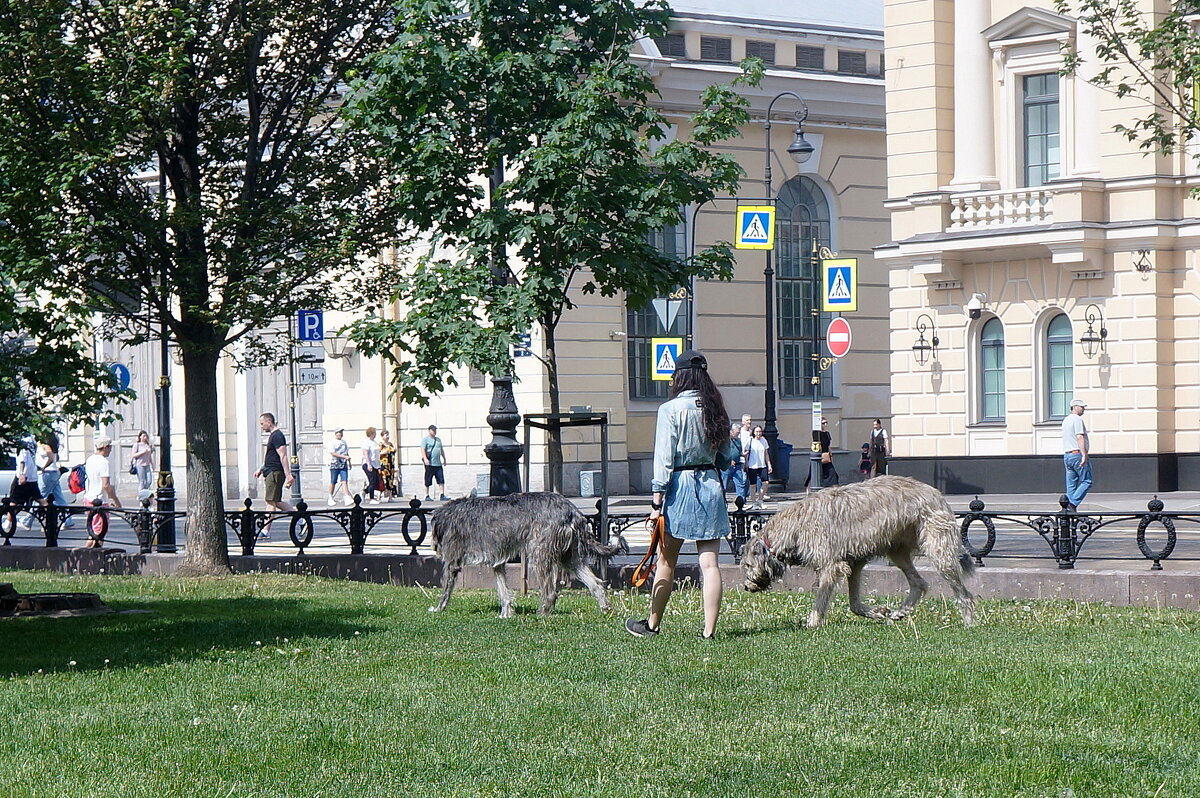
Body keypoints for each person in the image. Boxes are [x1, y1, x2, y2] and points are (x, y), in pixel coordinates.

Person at [625, 349, 738, 640]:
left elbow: (663, 459)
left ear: (679, 376)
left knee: (666, 561)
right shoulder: (715, 408)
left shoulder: (670, 410)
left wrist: (655, 502)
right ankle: (709, 632)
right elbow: (729, 454)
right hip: (711, 486)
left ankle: (652, 624)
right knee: (710, 563)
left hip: (680, 488)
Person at [253, 413, 294, 539]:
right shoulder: (274, 436)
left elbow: (283, 456)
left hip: (274, 472)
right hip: (271, 471)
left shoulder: (277, 436)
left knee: (270, 501)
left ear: (269, 422)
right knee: (275, 501)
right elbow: (270, 457)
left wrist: (288, 475)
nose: (261, 426)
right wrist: (261, 469)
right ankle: (301, 517)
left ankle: (266, 531)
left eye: (262, 423)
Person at [83, 436, 122, 547]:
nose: (110, 450)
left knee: (92, 532)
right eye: (110, 447)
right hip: (99, 500)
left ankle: (85, 557)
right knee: (99, 533)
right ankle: (91, 557)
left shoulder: (90, 459)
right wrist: (116, 500)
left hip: (88, 498)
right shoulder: (104, 462)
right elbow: (106, 485)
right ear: (105, 447)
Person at [37, 432, 74, 529]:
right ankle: (68, 520)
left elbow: (51, 457)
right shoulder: (53, 445)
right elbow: (55, 458)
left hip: (48, 473)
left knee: (40, 496)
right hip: (54, 472)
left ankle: (27, 520)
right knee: (59, 497)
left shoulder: (45, 445)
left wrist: (43, 467)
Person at [1061, 398, 1092, 512]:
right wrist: (1084, 454)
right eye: (1081, 407)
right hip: (1077, 453)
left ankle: (1068, 509)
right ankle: (1072, 504)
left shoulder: (1066, 420)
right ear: (1075, 407)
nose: (1083, 409)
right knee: (1087, 481)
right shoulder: (1077, 419)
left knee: (1071, 484)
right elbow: (1080, 436)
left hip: (1067, 455)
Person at [8, 436, 42, 532]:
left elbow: (22, 460)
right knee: (39, 498)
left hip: (23, 477)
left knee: (13, 500)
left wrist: (21, 474)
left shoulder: (23, 441)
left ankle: (7, 524)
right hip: (32, 476)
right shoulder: (32, 440)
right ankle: (51, 517)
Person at [805, 417, 838, 488]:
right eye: (823, 423)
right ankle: (808, 490)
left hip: (826, 456)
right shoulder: (816, 433)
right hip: (818, 455)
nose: (825, 424)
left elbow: (829, 445)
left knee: (832, 473)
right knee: (813, 475)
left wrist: (830, 453)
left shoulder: (827, 434)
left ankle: (835, 490)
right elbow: (815, 443)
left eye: (826, 423)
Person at [745, 424, 772, 509]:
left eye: (760, 431)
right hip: (752, 465)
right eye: (757, 431)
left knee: (766, 483)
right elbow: (746, 453)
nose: (758, 433)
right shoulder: (750, 440)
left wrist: (769, 464)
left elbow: (766, 453)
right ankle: (754, 503)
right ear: (753, 432)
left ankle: (760, 499)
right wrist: (746, 463)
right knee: (753, 485)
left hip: (762, 465)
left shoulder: (763, 440)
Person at [721, 423, 748, 504]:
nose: (738, 434)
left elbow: (739, 451)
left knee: (740, 484)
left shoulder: (738, 441)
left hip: (737, 465)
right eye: (737, 432)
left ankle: (741, 502)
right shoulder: (725, 441)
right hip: (727, 466)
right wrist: (729, 460)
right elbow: (722, 452)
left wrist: (743, 455)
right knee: (724, 485)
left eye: (739, 432)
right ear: (731, 431)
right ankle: (722, 501)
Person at [421, 425, 448, 501]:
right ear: (429, 431)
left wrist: (444, 459)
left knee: (441, 479)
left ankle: (442, 494)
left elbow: (441, 450)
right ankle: (426, 495)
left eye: (435, 430)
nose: (434, 432)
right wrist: (425, 459)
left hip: (438, 463)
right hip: (430, 463)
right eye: (433, 430)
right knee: (428, 479)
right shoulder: (425, 440)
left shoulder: (438, 440)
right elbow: (423, 449)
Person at [327, 428, 352, 506]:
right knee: (333, 481)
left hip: (343, 464)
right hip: (335, 464)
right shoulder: (332, 442)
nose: (340, 434)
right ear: (335, 434)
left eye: (341, 432)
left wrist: (349, 462)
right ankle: (330, 497)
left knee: (344, 481)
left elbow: (346, 453)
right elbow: (332, 453)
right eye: (339, 433)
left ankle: (346, 496)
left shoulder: (344, 442)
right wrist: (343, 457)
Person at [361, 426, 382, 504]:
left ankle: (364, 492)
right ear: (371, 434)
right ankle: (371, 498)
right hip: (368, 464)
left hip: (375, 464)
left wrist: (378, 466)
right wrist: (369, 464)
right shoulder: (366, 442)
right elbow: (365, 453)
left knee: (375, 481)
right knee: (372, 481)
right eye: (374, 433)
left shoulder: (375, 442)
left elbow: (377, 454)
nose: (375, 434)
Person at [378, 429, 397, 502]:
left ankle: (390, 497)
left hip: (390, 465)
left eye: (388, 435)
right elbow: (377, 454)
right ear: (382, 436)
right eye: (386, 435)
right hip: (383, 465)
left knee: (390, 481)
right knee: (383, 480)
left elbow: (394, 454)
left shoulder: (391, 444)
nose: (387, 437)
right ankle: (379, 497)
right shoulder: (381, 445)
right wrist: (383, 452)